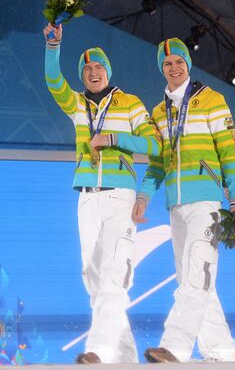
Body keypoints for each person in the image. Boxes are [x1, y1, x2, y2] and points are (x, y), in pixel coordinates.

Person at [43, 23, 162, 364]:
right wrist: (54, 48)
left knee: (112, 277)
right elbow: (54, 82)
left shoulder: (129, 104)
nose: (93, 73)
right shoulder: (77, 105)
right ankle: (126, 358)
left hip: (118, 196)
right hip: (86, 197)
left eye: (98, 67)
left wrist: (114, 139)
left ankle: (96, 350)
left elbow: (154, 144)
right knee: (93, 279)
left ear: (107, 72)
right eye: (87, 69)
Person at [132, 38, 235, 363]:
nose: (174, 68)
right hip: (175, 205)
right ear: (162, 70)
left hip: (206, 200)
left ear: (188, 66)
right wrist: (143, 196)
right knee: (193, 278)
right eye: (167, 64)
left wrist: (234, 194)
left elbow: (229, 150)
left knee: (197, 272)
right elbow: (156, 162)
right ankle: (221, 352)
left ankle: (175, 347)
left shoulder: (211, 100)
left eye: (179, 61)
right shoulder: (158, 112)